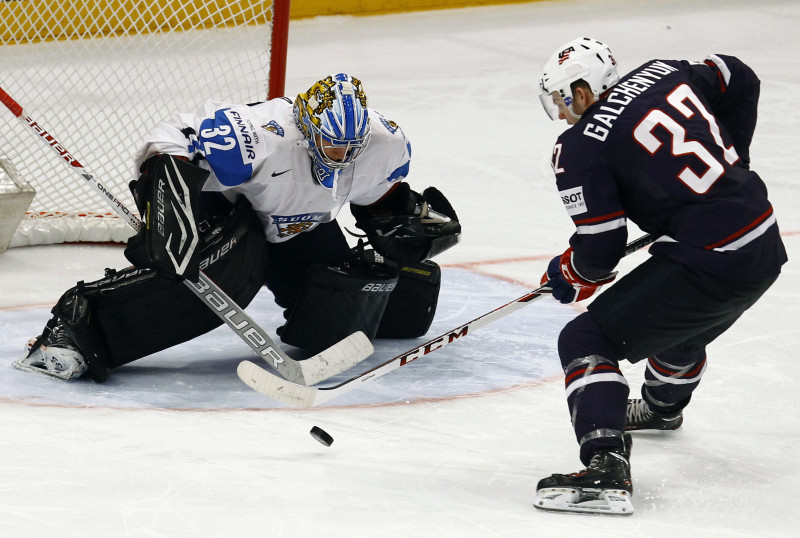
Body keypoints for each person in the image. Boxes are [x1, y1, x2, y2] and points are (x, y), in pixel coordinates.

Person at [15, 73, 460, 382]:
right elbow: (173, 143)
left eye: (350, 147)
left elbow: (377, 195)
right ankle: (73, 330)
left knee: (336, 324)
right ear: (306, 127)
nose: (341, 155)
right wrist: (169, 200)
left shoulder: (383, 143)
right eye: (331, 144)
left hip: (296, 222)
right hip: (225, 203)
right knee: (209, 278)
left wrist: (398, 220)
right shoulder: (259, 135)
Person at [533, 37, 787, 515]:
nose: (563, 114)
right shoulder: (664, 71)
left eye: (564, 99)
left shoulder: (579, 147)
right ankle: (662, 407)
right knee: (677, 323)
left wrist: (570, 272)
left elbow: (600, 250)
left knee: (586, 337)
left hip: (710, 257)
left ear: (585, 91)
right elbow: (738, 74)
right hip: (762, 243)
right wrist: (734, 163)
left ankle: (605, 465)